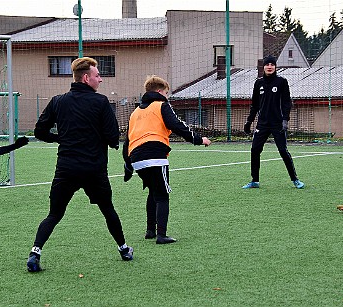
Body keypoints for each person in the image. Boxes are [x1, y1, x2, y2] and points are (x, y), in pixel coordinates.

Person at [26, 57, 133, 273]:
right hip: (94, 170)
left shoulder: (58, 101)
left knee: (54, 214)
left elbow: (39, 131)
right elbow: (113, 138)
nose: (100, 80)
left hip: (66, 168)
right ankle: (123, 249)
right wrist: (104, 139)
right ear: (86, 78)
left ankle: (35, 253)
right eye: (97, 76)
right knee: (108, 209)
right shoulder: (101, 102)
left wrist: (59, 138)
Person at [122, 75, 211, 244]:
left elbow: (127, 140)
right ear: (159, 91)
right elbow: (177, 125)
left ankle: (150, 231)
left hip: (137, 158)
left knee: (152, 191)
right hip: (155, 155)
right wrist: (199, 139)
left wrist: (128, 165)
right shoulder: (161, 105)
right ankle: (161, 235)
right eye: (166, 93)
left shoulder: (135, 112)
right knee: (162, 195)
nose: (167, 96)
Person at [242, 55, 304, 189]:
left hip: (277, 124)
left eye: (272, 64)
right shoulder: (258, 83)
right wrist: (249, 121)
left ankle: (295, 180)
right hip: (262, 124)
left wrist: (285, 120)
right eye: (267, 64)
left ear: (275, 67)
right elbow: (255, 105)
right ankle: (255, 181)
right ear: (263, 67)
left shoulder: (282, 82)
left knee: (282, 150)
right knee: (255, 150)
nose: (269, 66)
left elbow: (287, 102)